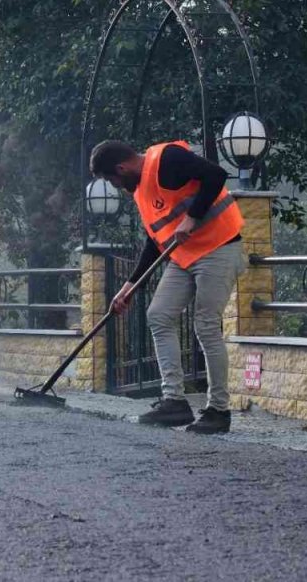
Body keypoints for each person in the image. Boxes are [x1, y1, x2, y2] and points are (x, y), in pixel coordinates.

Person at [90, 139, 247, 434]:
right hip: (185, 256)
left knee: (206, 325)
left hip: (219, 247)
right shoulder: (140, 191)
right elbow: (155, 240)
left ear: (121, 168)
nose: (115, 186)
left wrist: (192, 217)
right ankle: (174, 402)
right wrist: (129, 286)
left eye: (112, 180)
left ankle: (218, 410)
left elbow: (216, 175)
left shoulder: (167, 159)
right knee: (159, 314)